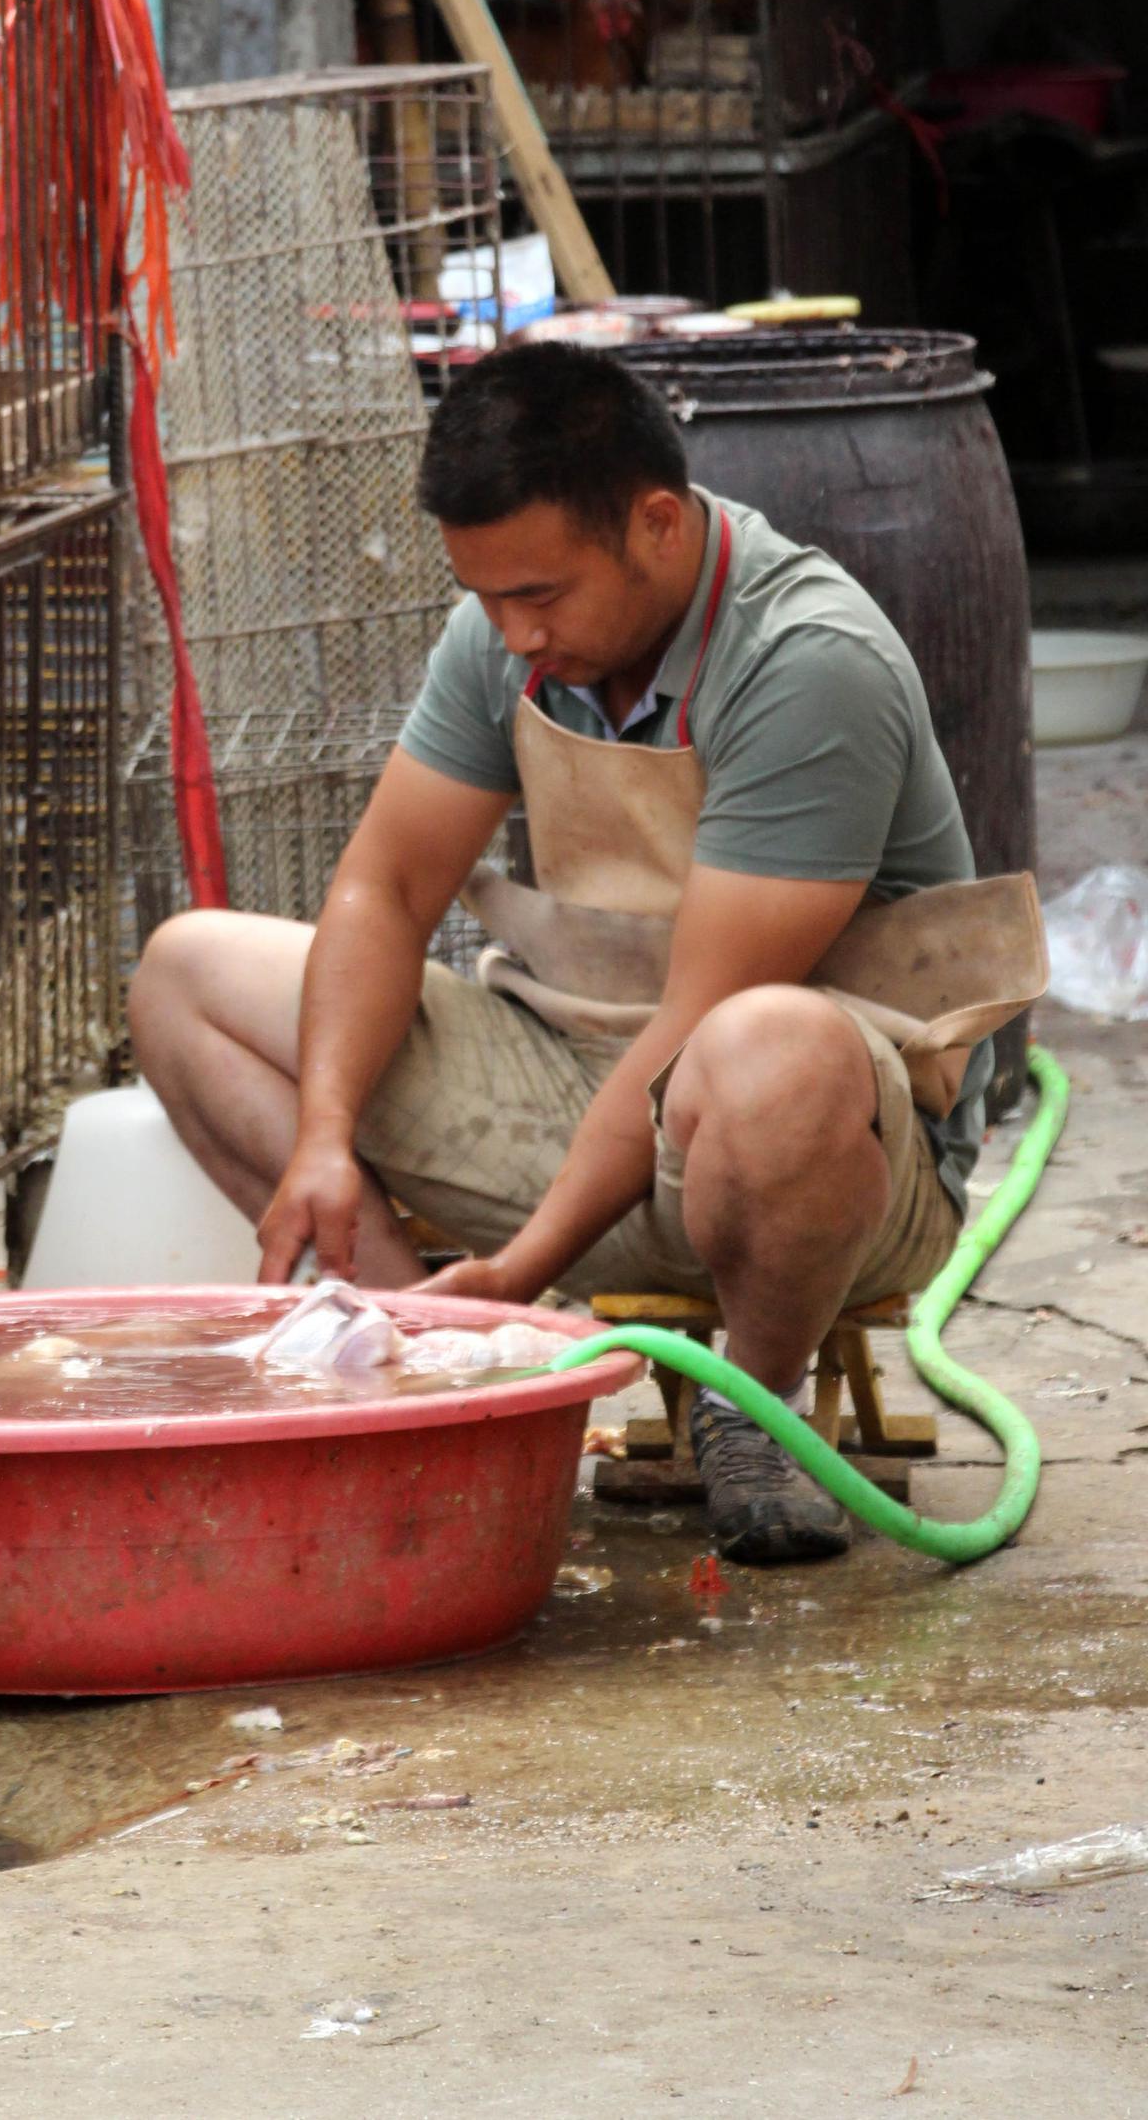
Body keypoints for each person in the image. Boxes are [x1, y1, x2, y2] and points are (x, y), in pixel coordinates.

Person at [130, 341, 1043, 1566]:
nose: (512, 633)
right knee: (186, 972)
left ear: (655, 524)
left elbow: (694, 1019)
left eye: (539, 595)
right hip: (578, 1084)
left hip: (809, 1160)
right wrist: (323, 1139)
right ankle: (415, 1358)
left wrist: (519, 1269)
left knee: (764, 1044)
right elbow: (383, 890)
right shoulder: (507, 637)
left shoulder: (806, 659)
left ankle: (750, 1407)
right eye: (485, 598)